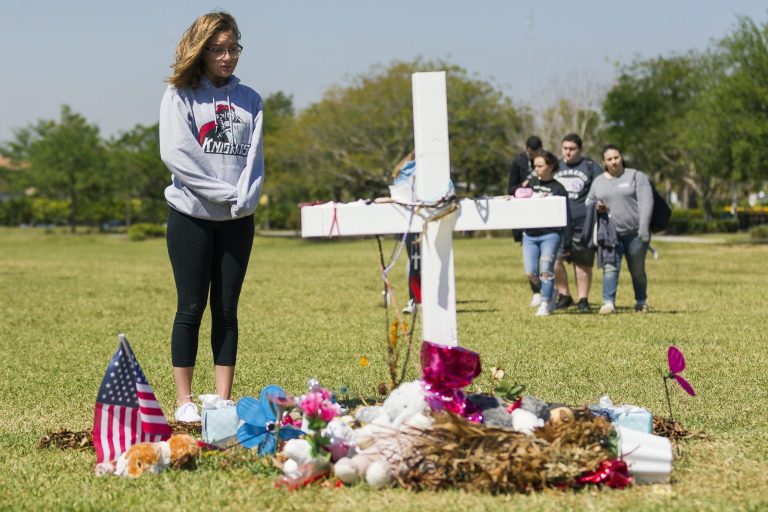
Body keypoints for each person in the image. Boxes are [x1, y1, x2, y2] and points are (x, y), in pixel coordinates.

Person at [159, 11, 265, 422]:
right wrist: (226, 194)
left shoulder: (250, 99)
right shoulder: (180, 95)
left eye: (233, 48)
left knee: (227, 310)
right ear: (201, 51)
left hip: (238, 218)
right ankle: (184, 400)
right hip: (191, 215)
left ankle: (222, 398)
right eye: (218, 50)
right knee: (190, 307)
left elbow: (255, 160)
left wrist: (246, 200)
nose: (226, 57)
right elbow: (177, 156)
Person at [587, 145, 653, 314]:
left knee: (637, 271)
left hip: (635, 233)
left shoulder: (636, 176)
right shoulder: (598, 182)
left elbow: (646, 203)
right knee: (610, 268)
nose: (614, 161)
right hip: (610, 234)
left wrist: (644, 229)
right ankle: (608, 303)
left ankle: (641, 301)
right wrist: (597, 206)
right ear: (604, 162)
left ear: (621, 157)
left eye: (616, 157)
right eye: (609, 159)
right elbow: (589, 202)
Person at [553, 133, 602, 313]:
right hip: (558, 224)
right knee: (555, 262)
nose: (568, 152)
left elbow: (601, 188)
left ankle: (583, 299)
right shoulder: (555, 166)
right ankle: (564, 295)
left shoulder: (591, 167)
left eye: (572, 149)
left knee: (582, 264)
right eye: (565, 148)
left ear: (580, 149)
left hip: (583, 225)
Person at [520, 151, 572, 316]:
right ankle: (550, 292)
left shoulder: (559, 188)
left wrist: (568, 240)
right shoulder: (530, 184)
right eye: (535, 166)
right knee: (531, 272)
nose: (537, 169)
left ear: (550, 166)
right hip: (530, 235)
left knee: (546, 271)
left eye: (540, 166)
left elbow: (567, 216)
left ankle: (545, 302)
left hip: (550, 234)